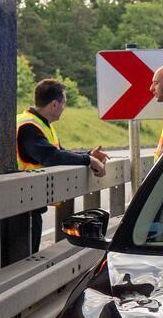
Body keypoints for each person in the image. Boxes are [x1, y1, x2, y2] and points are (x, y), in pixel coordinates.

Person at [17, 78, 109, 252]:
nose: (64, 108)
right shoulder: (29, 126)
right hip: (21, 207)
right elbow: (51, 157)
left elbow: (62, 153)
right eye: (64, 103)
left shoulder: (40, 124)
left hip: (29, 202)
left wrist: (88, 155)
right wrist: (89, 160)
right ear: (54, 104)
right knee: (25, 259)